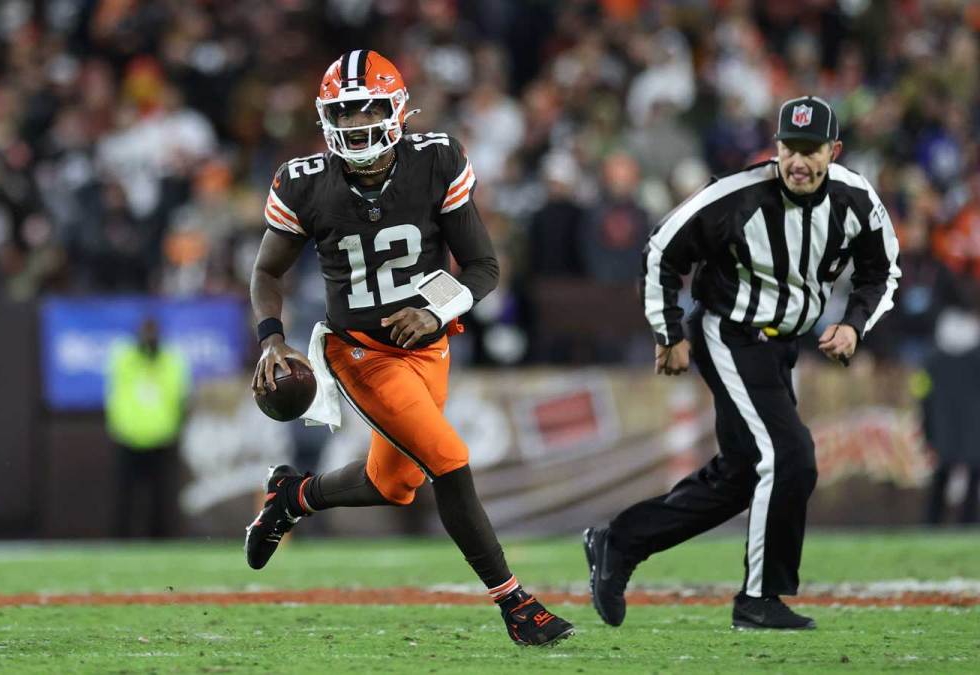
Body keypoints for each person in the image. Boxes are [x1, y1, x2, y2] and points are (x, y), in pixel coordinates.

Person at [242, 50, 573, 647]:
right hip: (359, 350)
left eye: (366, 109)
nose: (354, 125)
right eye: (342, 113)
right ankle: (516, 603)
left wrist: (434, 310)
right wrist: (271, 340)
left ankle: (292, 495)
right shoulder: (304, 182)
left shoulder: (436, 161)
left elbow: (482, 266)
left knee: (394, 484)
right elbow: (267, 273)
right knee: (447, 457)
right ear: (325, 119)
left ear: (397, 111)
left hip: (428, 344)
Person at [584, 96, 901, 630]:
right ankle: (759, 599)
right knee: (789, 456)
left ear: (834, 150)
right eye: (789, 148)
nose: (799, 161)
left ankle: (621, 541)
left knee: (741, 476)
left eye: (811, 149)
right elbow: (663, 249)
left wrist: (854, 325)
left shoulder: (854, 198)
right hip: (729, 334)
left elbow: (883, 269)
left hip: (782, 348)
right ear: (775, 148)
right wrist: (669, 333)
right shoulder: (738, 195)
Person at [105, 317, 191, 538]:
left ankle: (159, 540)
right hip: (129, 435)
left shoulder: (172, 360)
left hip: (162, 436)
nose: (149, 338)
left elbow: (180, 396)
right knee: (124, 496)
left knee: (161, 497)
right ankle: (120, 540)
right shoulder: (125, 358)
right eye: (146, 333)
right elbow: (115, 394)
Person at [915, 308, 980, 525]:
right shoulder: (975, 358)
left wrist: (927, 429)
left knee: (941, 479)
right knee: (971, 479)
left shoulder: (931, 360)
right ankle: (967, 526)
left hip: (942, 427)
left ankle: (931, 525)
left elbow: (921, 393)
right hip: (972, 429)